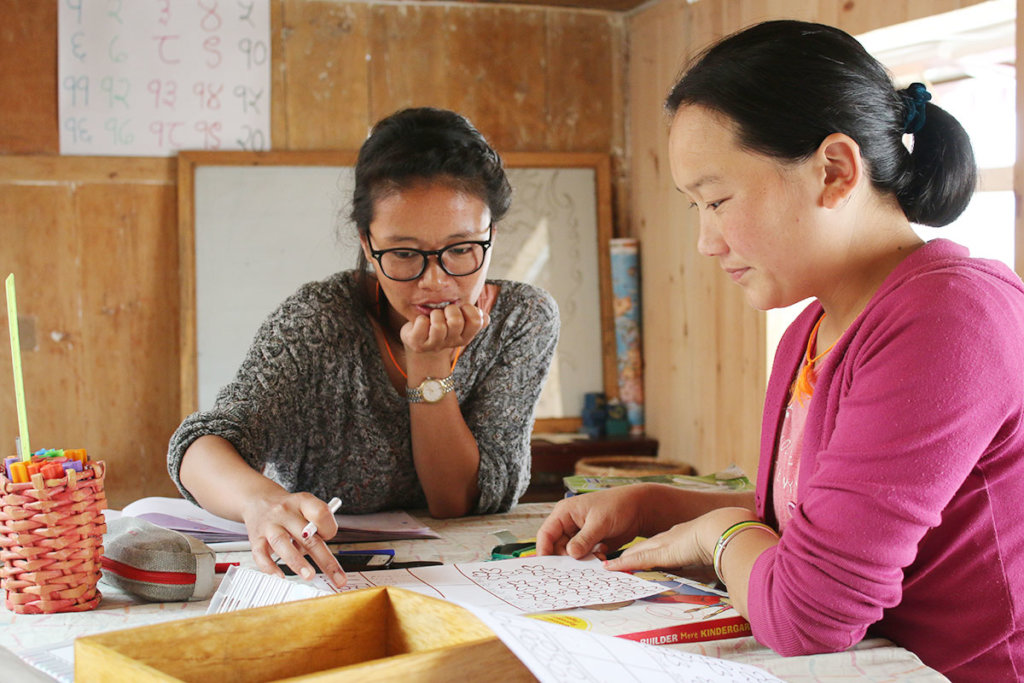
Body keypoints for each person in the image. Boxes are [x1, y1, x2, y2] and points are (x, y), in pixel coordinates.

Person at [536, 20, 1024, 680]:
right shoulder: (810, 329)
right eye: (694, 208)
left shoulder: (951, 318)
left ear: (834, 170)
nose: (706, 242)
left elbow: (809, 612)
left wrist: (713, 532)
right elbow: (796, 534)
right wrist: (651, 504)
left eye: (716, 199)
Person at [168, 107, 559, 587]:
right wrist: (260, 501)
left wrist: (429, 368)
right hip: (326, 579)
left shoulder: (522, 318)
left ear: (491, 235)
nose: (435, 281)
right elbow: (202, 445)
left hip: (470, 578)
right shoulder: (319, 319)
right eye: (403, 254)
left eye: (461, 249)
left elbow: (455, 502)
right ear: (366, 241)